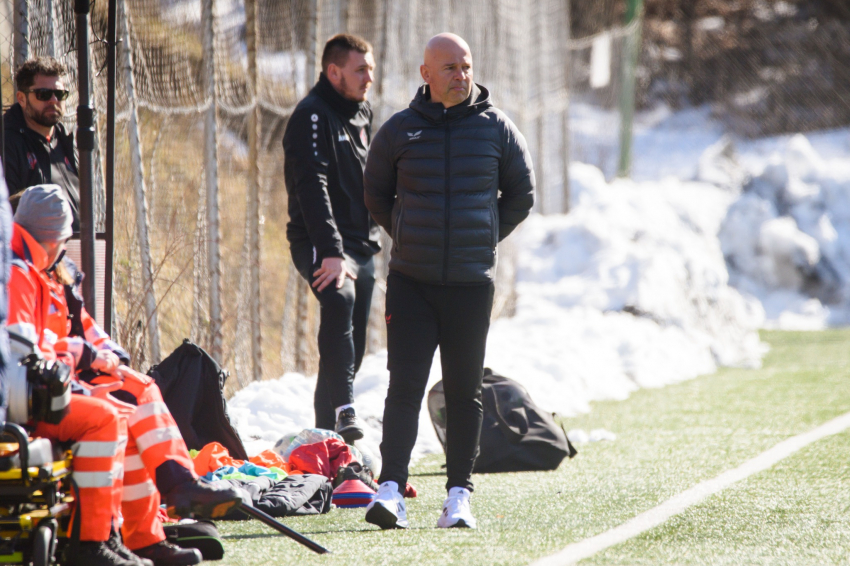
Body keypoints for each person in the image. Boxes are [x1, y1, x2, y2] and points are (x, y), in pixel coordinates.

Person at [8, 185, 242, 565]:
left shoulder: (51, 274)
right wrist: (84, 355)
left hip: (58, 381)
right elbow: (25, 348)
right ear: (56, 236)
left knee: (143, 389)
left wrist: (109, 355)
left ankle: (163, 506)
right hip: (38, 392)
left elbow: (85, 331)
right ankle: (105, 537)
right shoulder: (20, 274)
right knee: (116, 416)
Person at [362, 33, 535, 530]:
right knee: (405, 386)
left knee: (464, 391)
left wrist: (480, 238)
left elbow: (521, 195)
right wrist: (411, 236)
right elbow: (376, 195)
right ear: (426, 75)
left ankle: (459, 495)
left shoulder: (497, 128)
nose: (461, 76)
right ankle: (391, 489)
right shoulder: (399, 131)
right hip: (411, 282)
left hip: (470, 284)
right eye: (451, 68)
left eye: (466, 67)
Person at [282, 34, 380, 442]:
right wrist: (331, 250)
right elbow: (312, 187)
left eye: (371, 69)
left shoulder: (361, 112)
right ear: (333, 71)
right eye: (361, 70)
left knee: (350, 351)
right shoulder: (312, 115)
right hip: (321, 243)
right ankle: (345, 410)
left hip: (361, 246)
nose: (369, 78)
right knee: (339, 300)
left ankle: (326, 441)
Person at [3, 57, 80, 231]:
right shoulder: (7, 142)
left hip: (76, 248)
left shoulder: (64, 139)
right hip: (31, 252)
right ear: (21, 99)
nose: (53, 100)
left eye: (59, 94)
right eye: (43, 94)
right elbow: (7, 212)